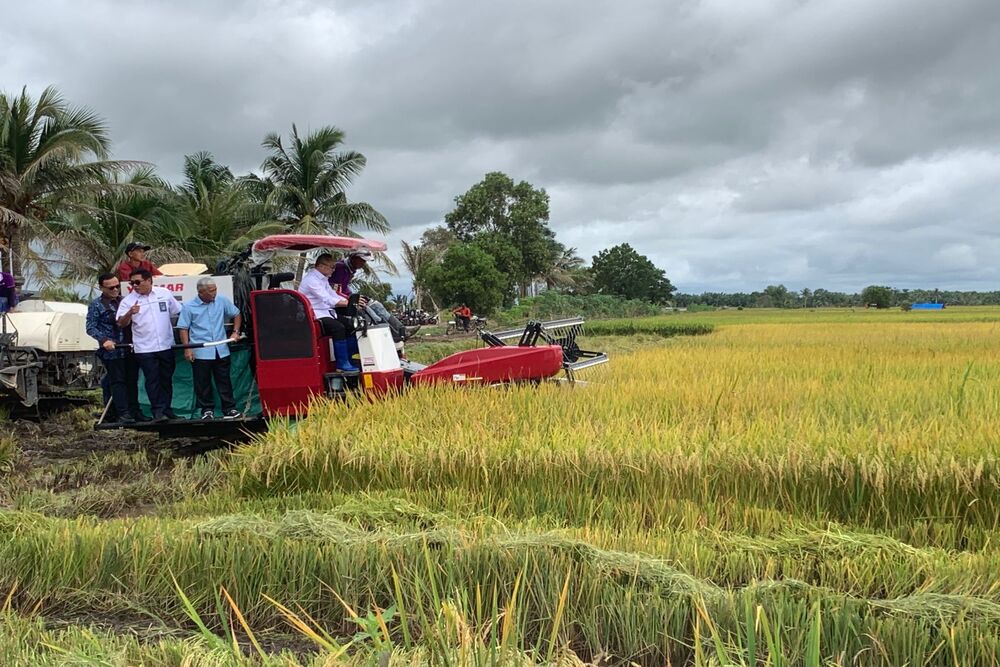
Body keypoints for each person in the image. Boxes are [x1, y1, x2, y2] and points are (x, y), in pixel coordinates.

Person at [116, 268, 181, 422]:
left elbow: (177, 311)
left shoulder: (164, 293)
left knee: (166, 378)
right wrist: (129, 313)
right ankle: (157, 411)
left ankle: (167, 409)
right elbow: (121, 323)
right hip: (144, 348)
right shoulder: (128, 301)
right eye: (132, 283)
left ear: (149, 280)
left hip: (165, 344)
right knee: (152, 379)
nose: (135, 286)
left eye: (138, 282)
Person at [177, 277, 243, 420]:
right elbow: (183, 328)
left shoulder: (221, 300)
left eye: (215, 289)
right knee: (202, 382)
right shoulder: (189, 306)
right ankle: (206, 410)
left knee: (224, 380)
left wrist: (235, 332)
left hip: (221, 348)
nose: (215, 293)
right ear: (201, 292)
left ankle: (229, 409)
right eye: (211, 291)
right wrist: (187, 349)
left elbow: (236, 313)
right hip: (201, 350)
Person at [86, 273, 140, 423]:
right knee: (117, 382)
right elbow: (90, 327)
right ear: (102, 288)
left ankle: (135, 411)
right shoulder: (96, 305)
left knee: (132, 381)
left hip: (129, 348)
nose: (116, 289)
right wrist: (104, 340)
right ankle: (123, 413)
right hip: (112, 351)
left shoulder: (126, 301)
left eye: (118, 286)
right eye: (111, 287)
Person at [330, 250, 417, 342]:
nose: (364, 263)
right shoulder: (340, 268)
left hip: (346, 298)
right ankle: (391, 334)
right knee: (370, 312)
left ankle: (402, 330)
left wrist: (356, 296)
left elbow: (344, 287)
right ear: (354, 258)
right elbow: (335, 291)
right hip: (339, 303)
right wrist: (351, 298)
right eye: (362, 260)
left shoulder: (350, 269)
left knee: (376, 305)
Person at [299, 254, 358, 372]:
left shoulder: (323, 279)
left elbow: (333, 294)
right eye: (332, 267)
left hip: (326, 312)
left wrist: (347, 301)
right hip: (315, 315)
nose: (333, 270)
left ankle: (350, 358)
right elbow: (327, 299)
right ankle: (342, 364)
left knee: (351, 325)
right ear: (321, 266)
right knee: (338, 328)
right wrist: (348, 303)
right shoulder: (311, 280)